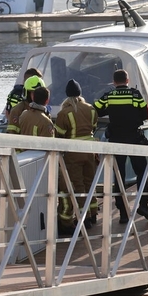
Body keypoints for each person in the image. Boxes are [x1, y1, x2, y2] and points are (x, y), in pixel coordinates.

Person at [94, 69, 148, 222]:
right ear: (127, 80)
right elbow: (145, 114)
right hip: (134, 139)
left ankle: (123, 212)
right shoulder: (135, 94)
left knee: (119, 176)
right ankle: (143, 204)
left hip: (116, 140)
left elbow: (96, 110)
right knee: (142, 172)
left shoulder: (109, 95)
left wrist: (110, 110)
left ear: (114, 82)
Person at [55, 79, 99, 230]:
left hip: (73, 153)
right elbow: (94, 127)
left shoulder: (64, 113)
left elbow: (59, 134)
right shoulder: (90, 108)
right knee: (90, 182)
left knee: (78, 185)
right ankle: (93, 214)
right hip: (90, 151)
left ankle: (83, 217)